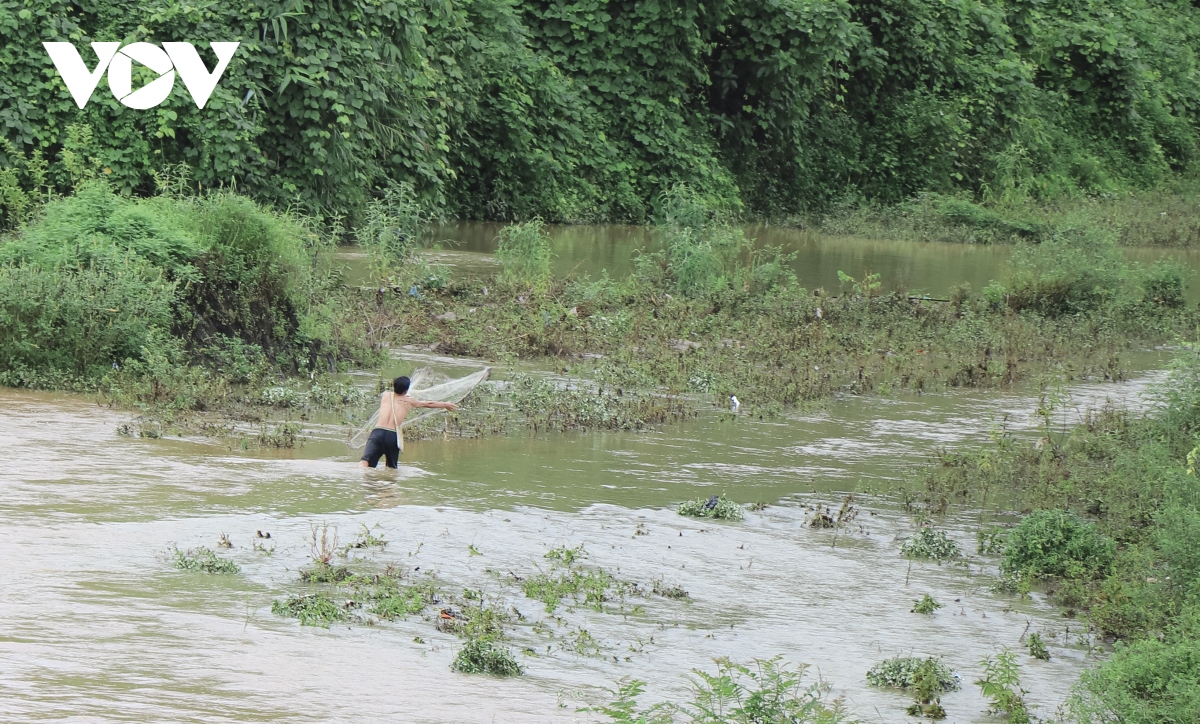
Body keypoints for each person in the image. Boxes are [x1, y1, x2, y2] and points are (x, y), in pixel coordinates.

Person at [360, 376, 457, 468]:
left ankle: (361, 481)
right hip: (392, 436)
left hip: (377, 433)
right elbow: (429, 403)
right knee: (391, 468)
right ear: (406, 390)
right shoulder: (409, 401)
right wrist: (445, 404)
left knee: (365, 462)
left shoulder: (386, 395)